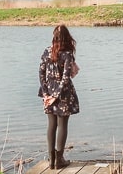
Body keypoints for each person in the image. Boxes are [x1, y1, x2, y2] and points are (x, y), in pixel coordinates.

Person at [38, 24, 80, 169]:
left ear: (54, 37)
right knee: (62, 125)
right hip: (63, 95)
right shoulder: (67, 53)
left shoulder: (46, 51)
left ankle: (51, 160)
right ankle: (59, 160)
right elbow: (65, 78)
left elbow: (41, 74)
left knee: (51, 125)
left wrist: (46, 94)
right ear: (67, 38)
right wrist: (55, 96)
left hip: (49, 93)